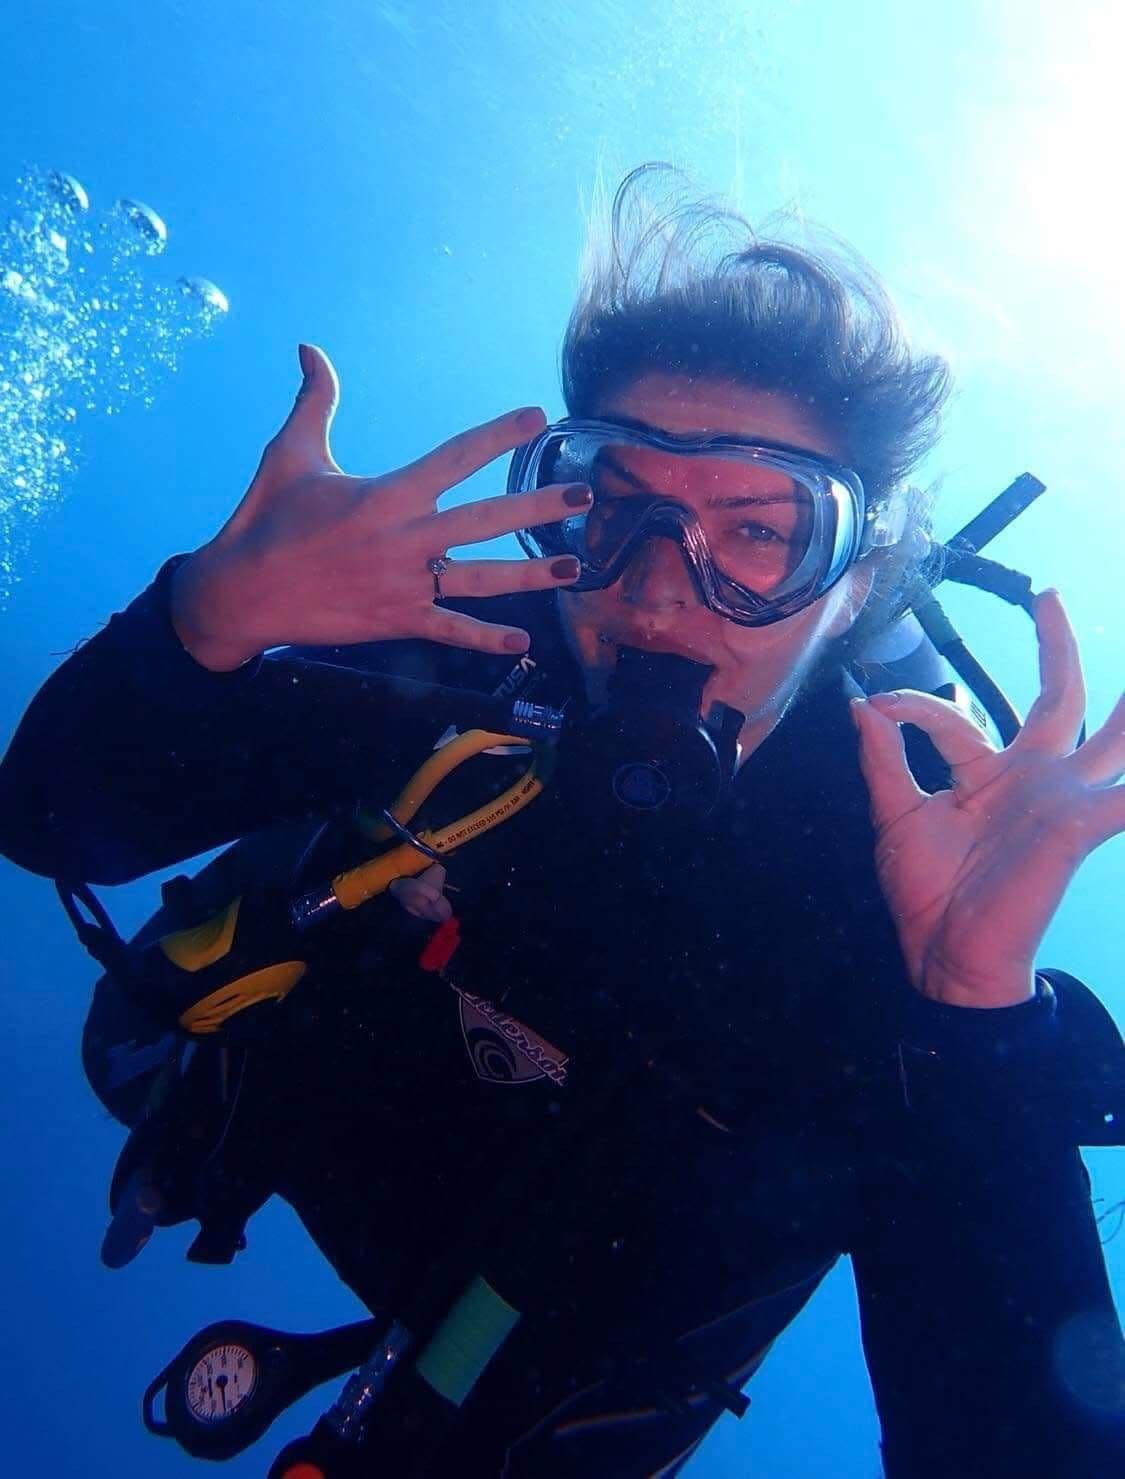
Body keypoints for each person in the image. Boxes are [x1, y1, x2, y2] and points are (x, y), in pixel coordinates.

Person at [2, 166, 1124, 1478]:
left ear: (856, 578)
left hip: (558, 1348)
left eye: (758, 534)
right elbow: (54, 824)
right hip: (308, 1126)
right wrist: (202, 624)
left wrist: (967, 1008)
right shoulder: (471, 654)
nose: (658, 590)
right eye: (611, 505)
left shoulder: (887, 874)